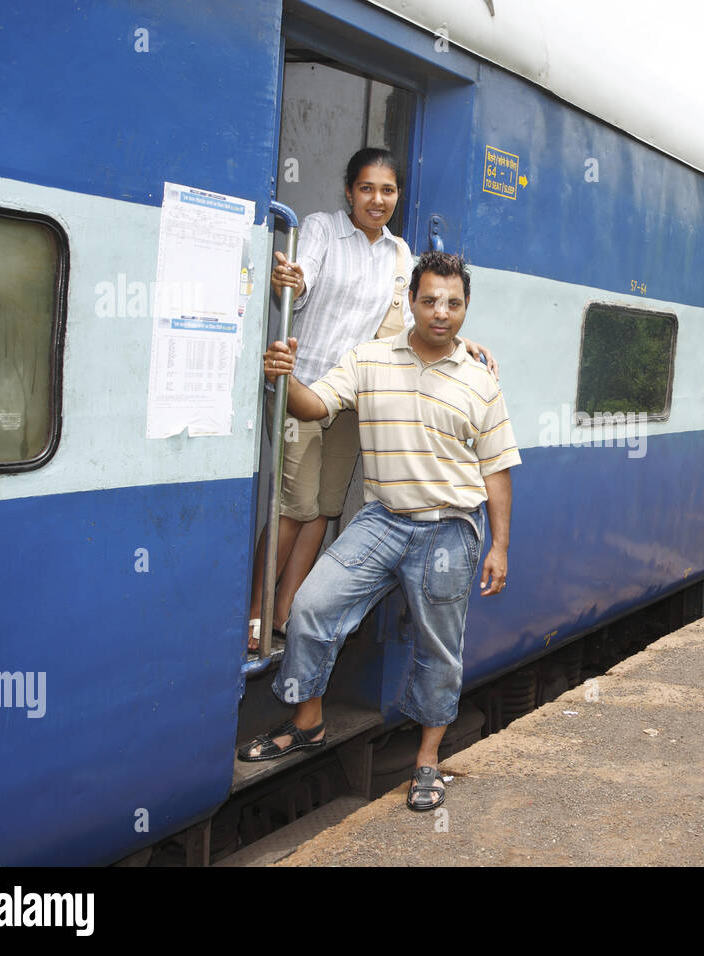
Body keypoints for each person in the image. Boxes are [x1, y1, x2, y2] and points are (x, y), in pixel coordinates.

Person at [239, 252, 520, 814]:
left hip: (450, 528)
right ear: (410, 302)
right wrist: (283, 376)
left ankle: (426, 763)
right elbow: (315, 404)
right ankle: (308, 720)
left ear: (466, 307)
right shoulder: (368, 359)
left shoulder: (480, 380)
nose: (441, 312)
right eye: (430, 300)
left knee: (438, 648)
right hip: (382, 520)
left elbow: (496, 469)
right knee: (311, 608)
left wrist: (500, 547)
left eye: (454, 303)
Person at [248, 147, 495, 652]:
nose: (377, 199)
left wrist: (458, 341)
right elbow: (304, 274)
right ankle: (252, 611)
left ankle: (284, 611)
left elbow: (410, 323)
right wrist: (292, 280)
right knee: (294, 505)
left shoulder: (400, 254)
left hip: (352, 394)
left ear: (397, 195)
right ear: (349, 191)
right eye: (366, 189)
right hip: (304, 387)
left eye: (387, 190)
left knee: (326, 505)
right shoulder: (320, 229)